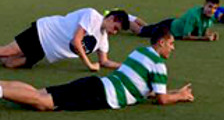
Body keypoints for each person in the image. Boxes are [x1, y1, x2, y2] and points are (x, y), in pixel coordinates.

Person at [0, 24, 194, 112]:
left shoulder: (140, 52)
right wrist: (180, 96)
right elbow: (161, 99)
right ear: (161, 42)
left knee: (39, 93)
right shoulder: (158, 64)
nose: (173, 48)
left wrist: (175, 91)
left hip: (96, 84)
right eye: (171, 44)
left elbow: (144, 89)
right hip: (100, 94)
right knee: (44, 103)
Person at [1, 8, 128, 71]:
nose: (115, 32)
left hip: (46, 49)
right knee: (7, 51)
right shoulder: (92, 15)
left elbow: (104, 61)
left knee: (10, 63)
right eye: (115, 28)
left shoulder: (103, 38)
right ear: (112, 18)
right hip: (43, 32)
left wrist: (125, 66)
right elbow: (76, 41)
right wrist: (89, 64)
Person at [138, 0, 221, 42]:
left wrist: (210, 35)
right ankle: (128, 19)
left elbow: (205, 29)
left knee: (147, 28)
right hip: (168, 28)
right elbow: (185, 36)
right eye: (209, 6)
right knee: (140, 31)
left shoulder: (211, 16)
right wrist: (204, 38)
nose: (212, 10)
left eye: (215, 8)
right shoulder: (194, 15)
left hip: (175, 25)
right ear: (204, 5)